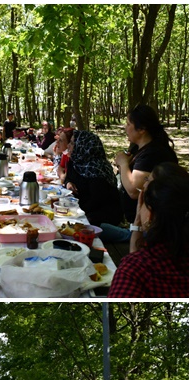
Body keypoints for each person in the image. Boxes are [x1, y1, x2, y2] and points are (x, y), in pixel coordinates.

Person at [109, 162, 189, 298]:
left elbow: (137, 266)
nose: (144, 186)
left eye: (149, 182)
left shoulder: (135, 269)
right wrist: (138, 221)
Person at [115, 104, 178, 222]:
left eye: (129, 124)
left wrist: (123, 164)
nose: (125, 128)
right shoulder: (138, 149)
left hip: (151, 225)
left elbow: (134, 191)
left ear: (142, 129)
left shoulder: (154, 154)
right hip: (136, 221)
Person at [62, 130, 123, 226]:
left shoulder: (97, 169)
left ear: (83, 146)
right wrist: (68, 183)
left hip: (101, 214)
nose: (68, 145)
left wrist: (75, 210)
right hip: (80, 208)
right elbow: (67, 178)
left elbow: (96, 201)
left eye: (72, 143)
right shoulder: (75, 161)